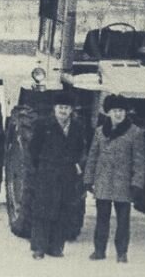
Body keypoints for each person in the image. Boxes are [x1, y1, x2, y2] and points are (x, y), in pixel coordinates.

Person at [83, 94, 145, 263]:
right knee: (102, 218)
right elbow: (92, 156)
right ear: (108, 113)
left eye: (121, 111)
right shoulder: (99, 132)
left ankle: (121, 252)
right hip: (103, 181)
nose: (118, 114)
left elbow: (139, 161)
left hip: (123, 184)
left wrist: (137, 183)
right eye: (114, 111)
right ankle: (99, 250)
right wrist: (88, 179)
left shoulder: (135, 133)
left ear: (126, 113)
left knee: (123, 221)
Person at [28, 91, 87, 260]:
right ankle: (39, 247)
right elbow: (33, 149)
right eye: (60, 107)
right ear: (54, 108)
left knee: (63, 209)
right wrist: (40, 169)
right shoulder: (43, 125)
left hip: (67, 174)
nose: (63, 110)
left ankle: (56, 247)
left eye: (67, 107)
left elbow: (81, 149)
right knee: (43, 210)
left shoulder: (77, 127)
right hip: (47, 173)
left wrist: (77, 166)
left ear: (71, 110)